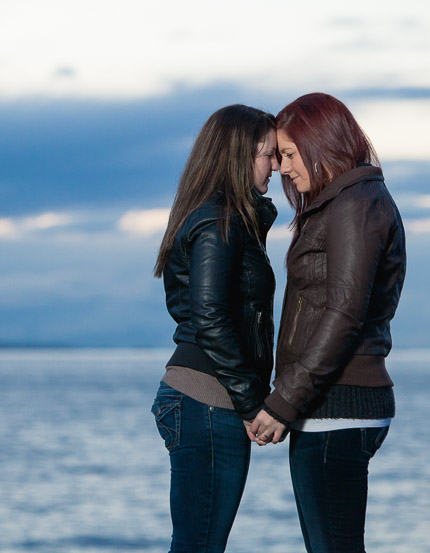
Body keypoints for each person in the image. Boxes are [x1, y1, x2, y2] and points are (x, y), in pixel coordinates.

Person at [250, 92, 407, 552]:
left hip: (337, 408)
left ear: (322, 143)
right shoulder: (346, 201)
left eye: (290, 153)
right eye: (278, 155)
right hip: (330, 407)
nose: (281, 166)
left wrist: (283, 403)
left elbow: (343, 313)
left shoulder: (355, 203)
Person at [151, 104, 279, 552]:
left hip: (204, 397)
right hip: (208, 401)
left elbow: (184, 305)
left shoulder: (220, 217)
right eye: (269, 154)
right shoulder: (220, 220)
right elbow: (206, 315)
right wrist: (251, 405)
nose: (277, 166)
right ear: (239, 155)